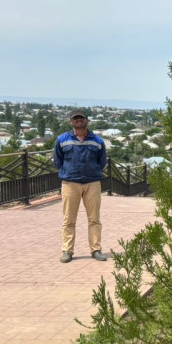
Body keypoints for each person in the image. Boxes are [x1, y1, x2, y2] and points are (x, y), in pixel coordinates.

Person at [53, 110, 108, 263]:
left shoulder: (97, 141)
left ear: (87, 121)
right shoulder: (62, 139)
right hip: (70, 183)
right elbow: (57, 161)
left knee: (94, 219)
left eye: (81, 118)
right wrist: (67, 172)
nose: (79, 121)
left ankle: (96, 249)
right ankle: (67, 251)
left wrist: (93, 171)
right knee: (69, 219)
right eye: (75, 118)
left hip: (92, 183)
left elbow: (102, 162)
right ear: (71, 121)